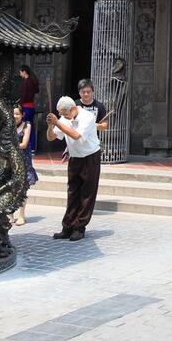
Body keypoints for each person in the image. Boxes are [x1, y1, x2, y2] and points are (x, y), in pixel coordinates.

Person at [46, 96, 101, 241]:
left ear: (73, 109)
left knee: (87, 193)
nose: (64, 117)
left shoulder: (87, 117)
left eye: (65, 114)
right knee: (72, 192)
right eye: (62, 115)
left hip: (90, 156)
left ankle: (79, 227)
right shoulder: (64, 118)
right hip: (75, 157)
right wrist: (51, 126)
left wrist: (57, 122)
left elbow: (77, 136)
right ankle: (67, 226)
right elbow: (51, 138)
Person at [11, 105, 38, 226]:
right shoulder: (8, 126)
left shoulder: (27, 125)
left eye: (17, 114)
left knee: (22, 189)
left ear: (22, 115)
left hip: (24, 161)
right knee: (10, 189)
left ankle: (21, 215)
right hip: (11, 161)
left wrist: (9, 146)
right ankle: (10, 215)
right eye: (13, 114)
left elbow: (24, 144)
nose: (15, 116)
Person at [19, 66, 40, 153]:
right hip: (31, 107)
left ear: (24, 72)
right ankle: (33, 147)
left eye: (20, 72)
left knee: (25, 127)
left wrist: (20, 105)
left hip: (25, 107)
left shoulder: (26, 82)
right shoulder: (32, 81)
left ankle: (27, 146)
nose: (20, 74)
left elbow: (24, 96)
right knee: (31, 126)